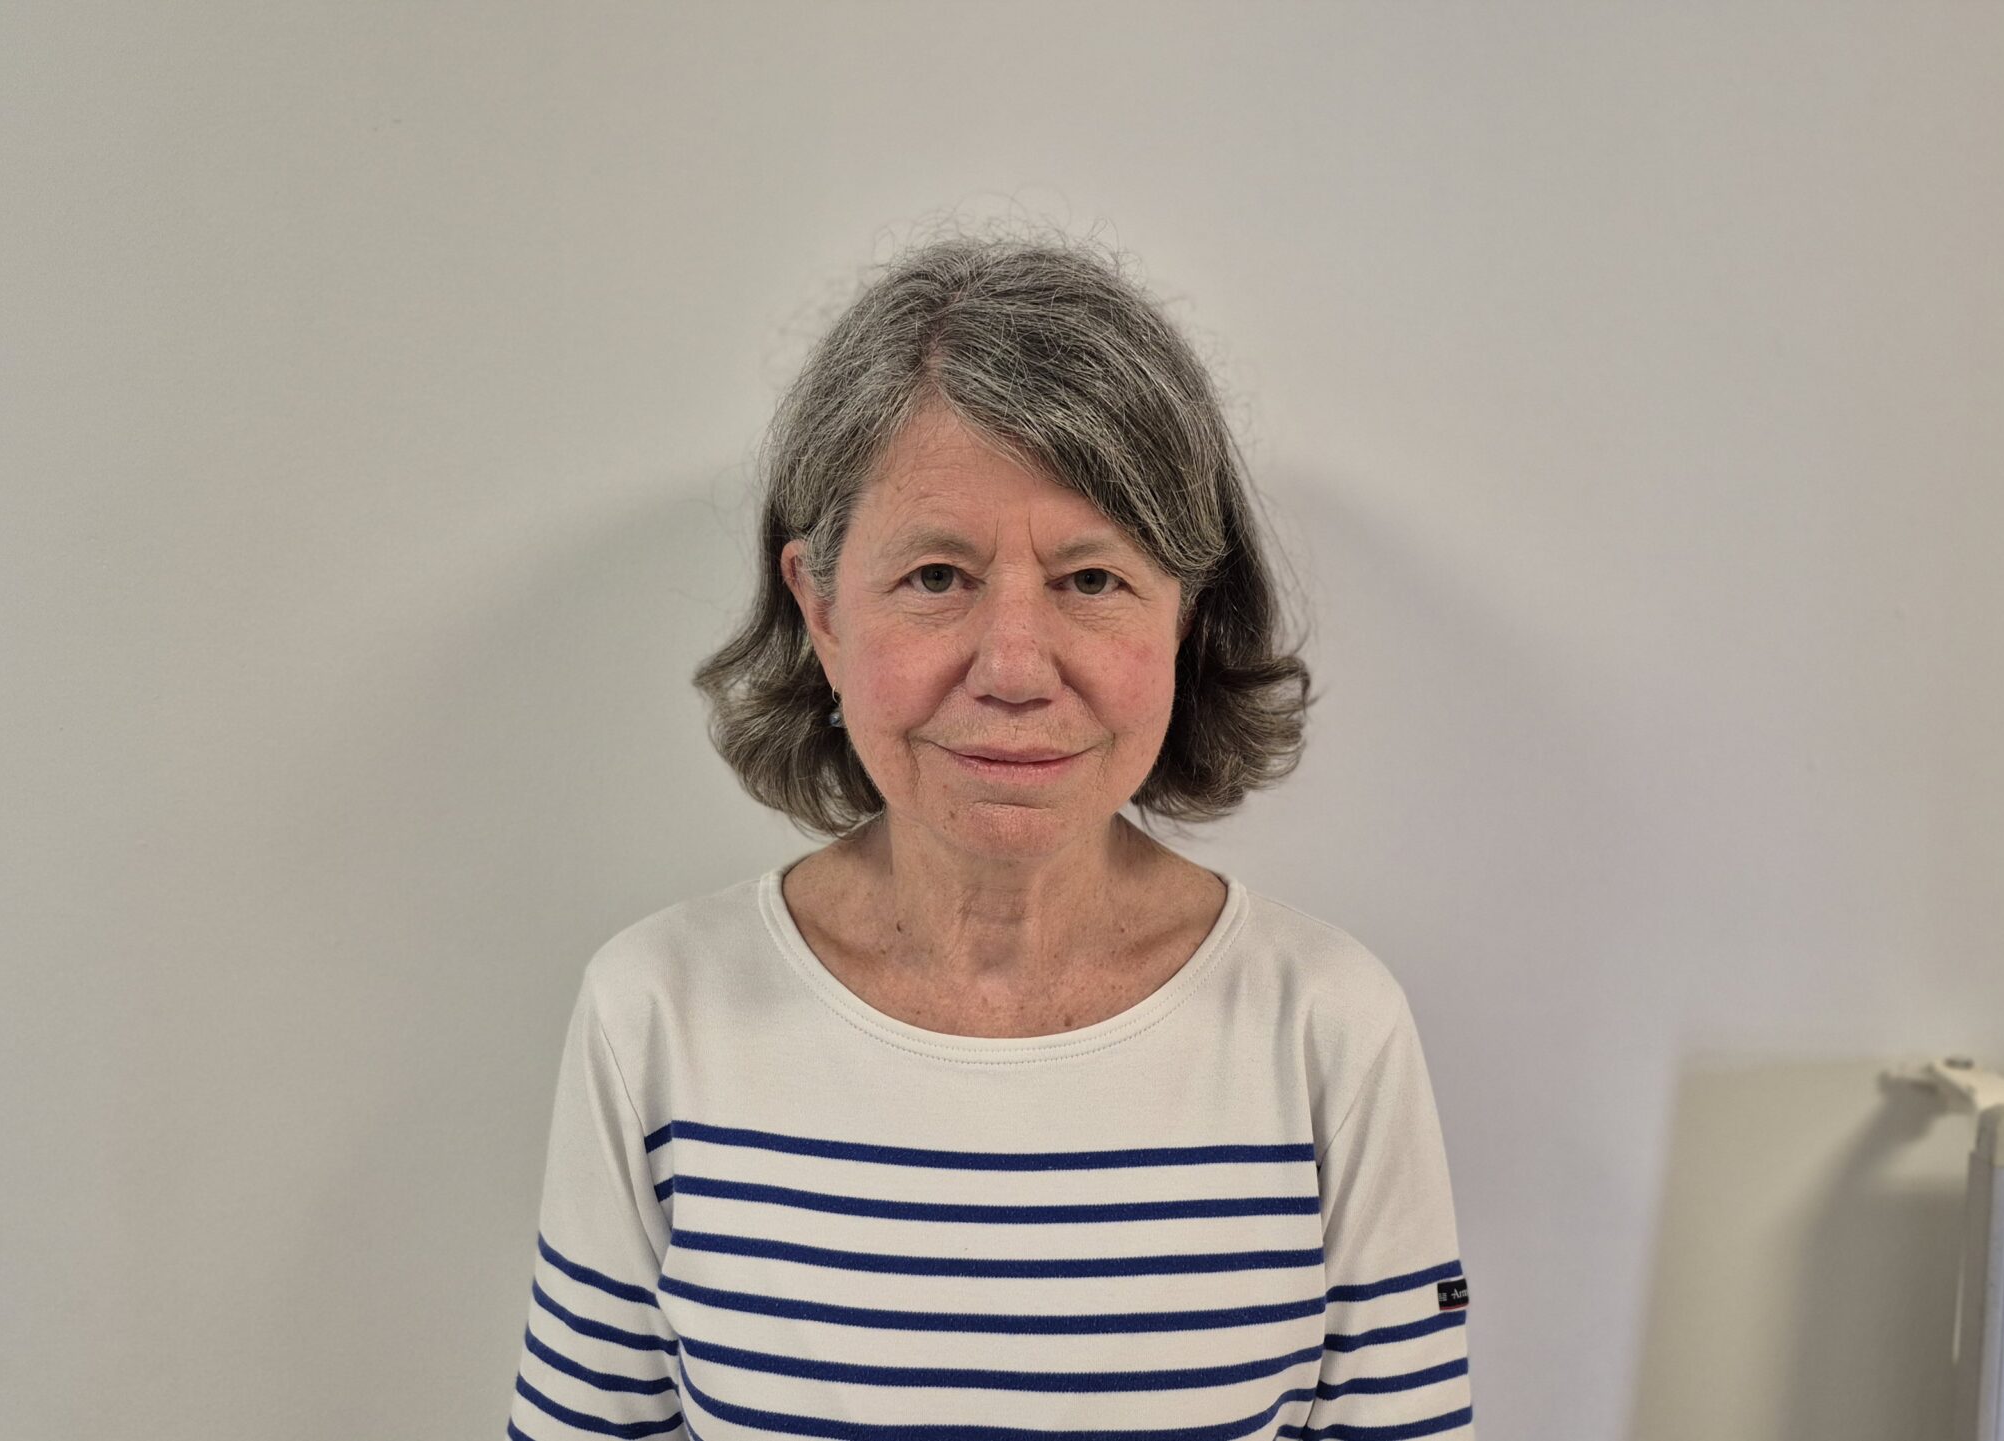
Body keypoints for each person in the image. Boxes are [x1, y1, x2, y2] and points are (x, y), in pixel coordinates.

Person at [503, 228, 1473, 1439]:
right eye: (936, 576)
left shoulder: (1326, 1028)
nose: (1014, 668)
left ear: (1183, 615)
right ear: (820, 607)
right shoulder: (657, 1015)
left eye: (1090, 579)